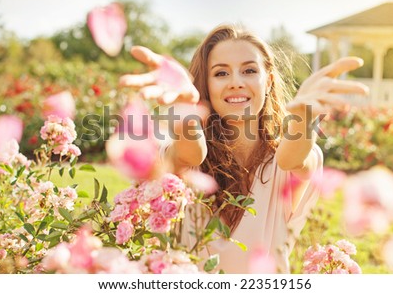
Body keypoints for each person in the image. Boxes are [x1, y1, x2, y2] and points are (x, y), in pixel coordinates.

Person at [119, 24, 368, 273]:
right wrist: (186, 112)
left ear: (268, 80)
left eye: (249, 70)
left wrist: (304, 119)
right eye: (220, 74)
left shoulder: (293, 158)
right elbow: (191, 154)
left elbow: (291, 159)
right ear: (204, 84)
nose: (236, 82)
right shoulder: (181, 152)